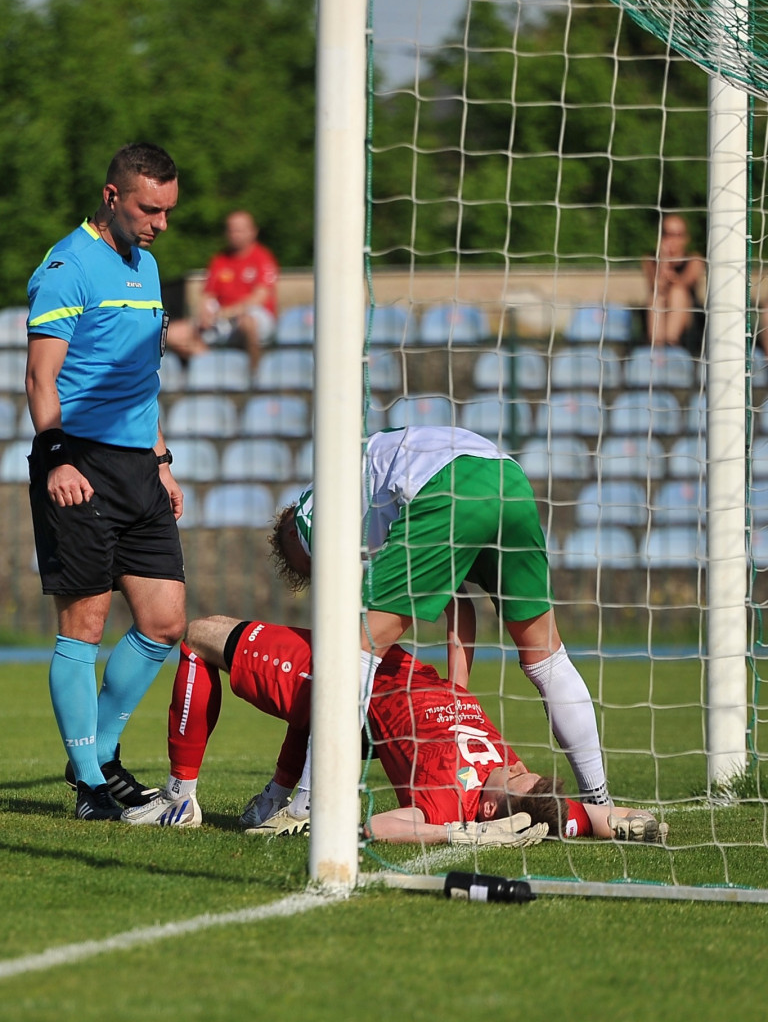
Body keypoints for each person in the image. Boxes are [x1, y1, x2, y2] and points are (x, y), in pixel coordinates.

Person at [267, 425, 612, 830]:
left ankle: (308, 804)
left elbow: (351, 615)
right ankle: (599, 799)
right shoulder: (374, 498)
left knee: (356, 651)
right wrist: (457, 692)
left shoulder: (311, 515)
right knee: (547, 659)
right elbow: (460, 603)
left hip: (445, 486)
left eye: (308, 566)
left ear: (293, 533)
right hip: (507, 480)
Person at [122, 616, 667, 846]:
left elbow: (380, 827)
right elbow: (587, 817)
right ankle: (277, 800)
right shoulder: (521, 784)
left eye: (516, 781)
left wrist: (456, 835)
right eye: (526, 771)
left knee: (197, 636)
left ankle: (181, 798)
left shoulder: (452, 802)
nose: (517, 767)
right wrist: (631, 821)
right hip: (380, 656)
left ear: (492, 809)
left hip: (346, 683)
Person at [25, 142, 187, 822]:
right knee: (84, 626)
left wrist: (160, 458)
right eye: (150, 209)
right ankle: (93, 787)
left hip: (137, 468)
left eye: (169, 210)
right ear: (112, 196)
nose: (160, 224)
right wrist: (57, 458)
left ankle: (98, 755)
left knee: (165, 621)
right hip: (79, 463)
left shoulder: (147, 267)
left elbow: (141, 378)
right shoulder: (66, 268)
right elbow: (40, 377)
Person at [164, 210, 278, 372]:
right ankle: (212, 365)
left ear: (253, 231)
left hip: (253, 317)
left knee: (247, 322)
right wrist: (204, 313)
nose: (234, 234)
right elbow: (208, 294)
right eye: (231, 230)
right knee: (172, 333)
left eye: (239, 230)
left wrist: (228, 312)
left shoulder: (262, 258)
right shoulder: (219, 260)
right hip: (221, 319)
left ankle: (254, 376)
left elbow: (260, 296)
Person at [642, 213, 706, 355]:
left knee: (677, 292)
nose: (672, 239)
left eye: (677, 234)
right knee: (657, 296)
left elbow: (684, 283)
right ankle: (657, 346)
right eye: (667, 234)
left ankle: (671, 343)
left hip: (688, 318)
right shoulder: (650, 260)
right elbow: (656, 284)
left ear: (685, 238)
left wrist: (671, 276)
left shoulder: (694, 260)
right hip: (661, 308)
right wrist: (663, 261)